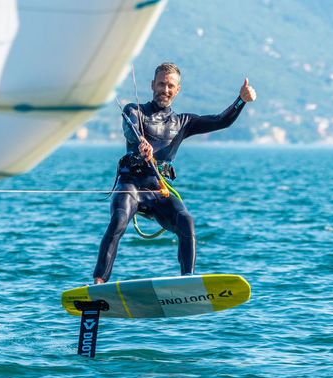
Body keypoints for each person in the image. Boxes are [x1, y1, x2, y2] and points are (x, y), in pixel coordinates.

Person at [93, 62, 257, 284]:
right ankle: (99, 281)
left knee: (186, 221)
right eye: (161, 84)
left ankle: (187, 280)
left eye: (170, 86)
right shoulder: (134, 110)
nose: (165, 89)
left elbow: (221, 120)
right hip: (130, 185)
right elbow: (129, 127)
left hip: (158, 190)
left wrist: (241, 101)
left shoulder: (183, 123)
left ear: (177, 89)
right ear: (153, 85)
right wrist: (139, 140)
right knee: (120, 218)